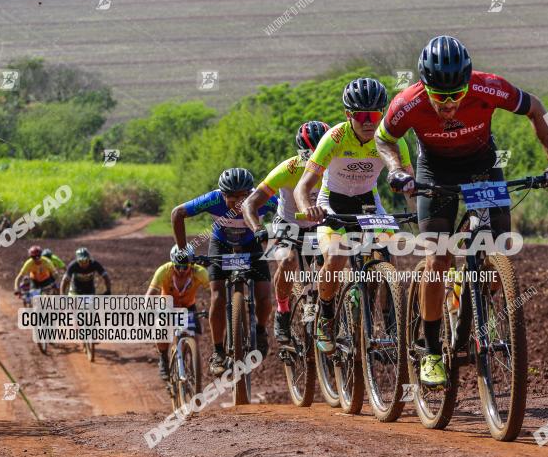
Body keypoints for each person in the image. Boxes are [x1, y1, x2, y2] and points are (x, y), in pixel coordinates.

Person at [375, 35, 548, 387]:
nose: (449, 105)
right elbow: (383, 137)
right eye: (440, 97)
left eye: (457, 95)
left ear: (468, 84)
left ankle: (471, 293)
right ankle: (432, 350)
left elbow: (536, 108)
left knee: (498, 254)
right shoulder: (408, 102)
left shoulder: (489, 87)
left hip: (482, 166)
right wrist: (396, 170)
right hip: (434, 171)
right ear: (424, 87)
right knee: (438, 258)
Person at [294, 78, 413, 353]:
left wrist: (420, 206)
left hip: (368, 202)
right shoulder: (335, 137)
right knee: (336, 257)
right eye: (361, 116)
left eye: (374, 115)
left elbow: (410, 184)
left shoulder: (392, 140)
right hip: (332, 202)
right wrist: (308, 208)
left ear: (382, 114)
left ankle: (387, 321)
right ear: (349, 116)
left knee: (387, 256)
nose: (368, 122)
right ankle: (326, 316)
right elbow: (303, 186)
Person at [171, 168, 274, 376]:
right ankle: (218, 352)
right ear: (222, 194)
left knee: (264, 295)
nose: (237, 202)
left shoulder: (263, 198)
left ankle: (261, 331)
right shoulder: (213, 199)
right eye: (231, 197)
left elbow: (287, 211)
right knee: (217, 297)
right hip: (221, 245)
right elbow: (177, 213)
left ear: (250, 193)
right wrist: (183, 251)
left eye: (243, 196)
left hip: (251, 244)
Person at [242, 120, 330, 343]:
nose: (317, 160)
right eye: (311, 154)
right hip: (286, 225)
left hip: (316, 225)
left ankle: (324, 314)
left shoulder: (335, 166)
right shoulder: (288, 169)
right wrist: (258, 228)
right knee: (288, 261)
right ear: (301, 153)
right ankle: (282, 311)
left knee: (328, 266)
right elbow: (249, 204)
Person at [146, 245, 210, 384]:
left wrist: (216, 308)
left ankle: (190, 359)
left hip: (188, 307)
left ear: (191, 264)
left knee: (196, 337)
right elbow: (150, 295)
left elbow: (215, 293)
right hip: (166, 306)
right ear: (172, 263)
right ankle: (163, 358)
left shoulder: (200, 272)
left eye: (184, 267)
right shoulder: (164, 271)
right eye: (177, 266)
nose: (181, 270)